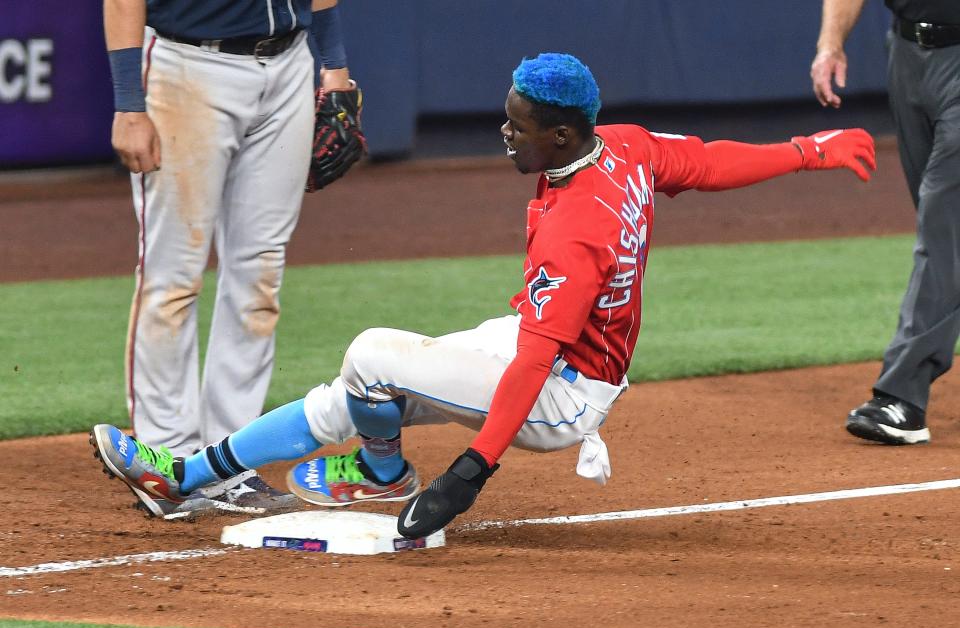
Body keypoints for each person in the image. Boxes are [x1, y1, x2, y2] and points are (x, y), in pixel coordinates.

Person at [91, 52, 875, 536]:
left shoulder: (577, 231)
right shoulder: (624, 149)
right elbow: (706, 161)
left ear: (561, 136)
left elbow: (533, 362)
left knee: (371, 355)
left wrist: (470, 473)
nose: (505, 134)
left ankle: (384, 470)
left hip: (561, 392)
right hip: (554, 350)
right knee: (352, 393)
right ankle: (184, 477)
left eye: (518, 125)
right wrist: (810, 150)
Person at [105, 0, 360, 517]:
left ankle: (225, 461)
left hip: (290, 65)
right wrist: (129, 103)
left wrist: (333, 62)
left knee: (260, 276)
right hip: (188, 67)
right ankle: (166, 458)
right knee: (173, 275)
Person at [811, 1, 960, 446]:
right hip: (908, 55)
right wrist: (830, 43)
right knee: (947, 232)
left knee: (942, 225)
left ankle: (902, 394)